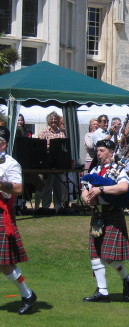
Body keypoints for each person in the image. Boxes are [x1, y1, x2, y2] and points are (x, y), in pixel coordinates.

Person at [81, 139, 129, 303]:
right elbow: (84, 188)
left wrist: (101, 189)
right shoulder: (96, 169)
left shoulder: (118, 169)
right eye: (98, 150)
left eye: (102, 150)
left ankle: (127, 279)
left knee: (109, 257)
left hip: (112, 214)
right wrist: (86, 199)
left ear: (111, 152)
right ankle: (102, 292)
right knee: (95, 254)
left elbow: (123, 187)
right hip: (97, 214)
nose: (98, 153)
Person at [0, 126, 37, 314]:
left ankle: (27, 294)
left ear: (3, 143)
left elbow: (18, 189)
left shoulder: (10, 164)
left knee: (5, 264)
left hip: (2, 213)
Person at [38, 111, 66, 211]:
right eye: (51, 119)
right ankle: (46, 205)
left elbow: (64, 147)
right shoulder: (43, 132)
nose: (53, 121)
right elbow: (39, 146)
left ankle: (58, 205)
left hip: (59, 162)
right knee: (47, 185)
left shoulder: (62, 133)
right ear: (48, 121)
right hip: (47, 162)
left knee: (59, 185)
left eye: (55, 119)